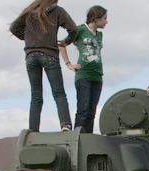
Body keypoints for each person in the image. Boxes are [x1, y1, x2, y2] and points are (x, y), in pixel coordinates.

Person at [10, 0, 77, 132]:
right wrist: (65, 42)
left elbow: (14, 28)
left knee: (36, 95)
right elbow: (73, 29)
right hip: (49, 54)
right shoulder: (58, 11)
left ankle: (33, 130)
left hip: (30, 55)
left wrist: (29, 38)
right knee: (59, 93)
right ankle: (65, 125)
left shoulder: (30, 10)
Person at [60, 5, 108, 133]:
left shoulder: (100, 35)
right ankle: (77, 138)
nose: (106, 21)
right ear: (96, 18)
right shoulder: (80, 30)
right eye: (104, 18)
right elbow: (61, 45)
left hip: (97, 76)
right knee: (83, 110)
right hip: (83, 75)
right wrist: (68, 64)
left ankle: (88, 139)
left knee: (91, 112)